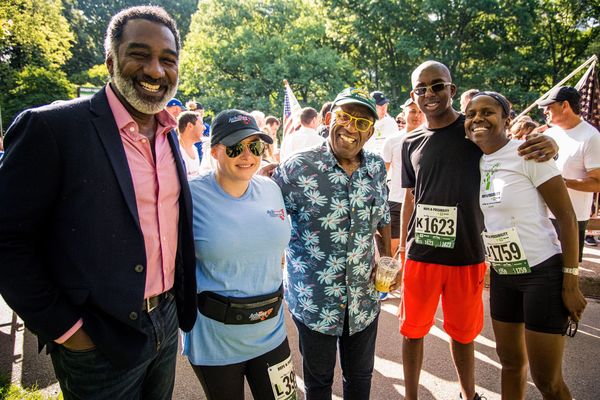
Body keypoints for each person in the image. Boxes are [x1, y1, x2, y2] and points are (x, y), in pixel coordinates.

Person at [0, 6, 197, 400]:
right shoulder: (52, 128)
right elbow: (7, 240)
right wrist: (68, 331)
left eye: (167, 59)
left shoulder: (168, 133)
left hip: (166, 319)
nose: (156, 71)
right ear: (111, 61)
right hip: (96, 337)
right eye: (140, 55)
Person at [396, 60, 558, 400]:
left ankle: (468, 395)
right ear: (413, 95)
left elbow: (513, 149)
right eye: (422, 88)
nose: (430, 93)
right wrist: (401, 248)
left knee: (463, 334)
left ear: (451, 90)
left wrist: (550, 144)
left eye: (438, 85)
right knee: (412, 332)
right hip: (420, 253)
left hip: (466, 253)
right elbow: (410, 197)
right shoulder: (409, 142)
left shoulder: (473, 130)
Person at [465, 91, 587, 399]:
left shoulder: (528, 153)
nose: (478, 118)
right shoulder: (474, 159)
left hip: (542, 274)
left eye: (487, 112)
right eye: (471, 114)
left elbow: (568, 218)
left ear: (507, 119)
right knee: (509, 365)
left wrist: (571, 280)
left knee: (547, 381)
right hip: (504, 275)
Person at [272, 87, 391, 400]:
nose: (351, 127)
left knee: (360, 378)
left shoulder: (376, 168)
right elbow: (266, 218)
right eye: (344, 117)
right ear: (329, 118)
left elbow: (382, 219)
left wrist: (389, 261)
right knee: (319, 383)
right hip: (314, 301)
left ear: (371, 131)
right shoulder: (296, 169)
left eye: (362, 122)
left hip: (364, 299)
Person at [182, 109, 296, 400]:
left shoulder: (271, 189)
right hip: (216, 341)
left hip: (271, 332)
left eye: (255, 146)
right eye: (236, 147)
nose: (248, 156)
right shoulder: (189, 197)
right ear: (216, 151)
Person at [538, 86, 600, 263]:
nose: (545, 111)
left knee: (566, 271)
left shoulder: (591, 136)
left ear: (564, 105)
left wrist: (562, 183)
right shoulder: (549, 134)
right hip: (542, 213)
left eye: (549, 107)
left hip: (571, 217)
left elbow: (597, 182)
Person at [382, 98, 424, 257]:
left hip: (422, 203)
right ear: (404, 113)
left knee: (416, 252)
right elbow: (382, 174)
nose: (417, 116)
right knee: (394, 251)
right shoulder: (392, 140)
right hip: (396, 201)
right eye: (413, 111)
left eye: (420, 111)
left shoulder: (431, 139)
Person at [364, 90, 399, 155]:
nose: (383, 109)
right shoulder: (363, 122)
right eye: (379, 107)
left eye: (385, 106)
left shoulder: (391, 124)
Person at [178, 111, 205, 180]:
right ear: (190, 126)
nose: (204, 128)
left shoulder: (194, 148)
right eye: (201, 124)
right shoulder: (175, 150)